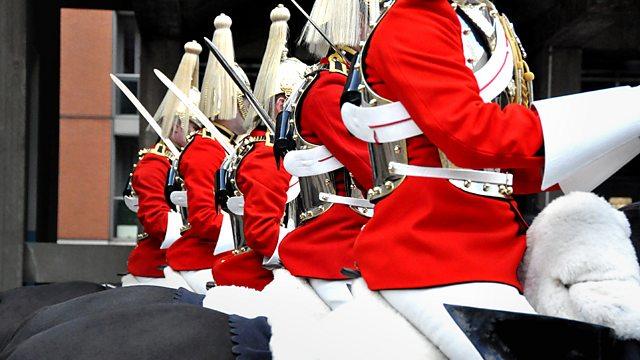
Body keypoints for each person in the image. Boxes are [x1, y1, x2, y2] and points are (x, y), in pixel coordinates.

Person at [340, 0, 640, 358]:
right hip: (438, 255)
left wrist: (605, 139)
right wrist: (620, 112)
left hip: (486, 251)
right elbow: (471, 138)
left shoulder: (463, 16)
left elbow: (493, 172)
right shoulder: (416, 14)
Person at [275, 0, 374, 310]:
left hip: (354, 237)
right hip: (338, 245)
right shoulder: (331, 87)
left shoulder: (346, 81)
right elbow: (374, 173)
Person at [212, 4, 307, 291]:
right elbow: (264, 234)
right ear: (282, 105)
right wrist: (310, 251)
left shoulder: (266, 146)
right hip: (263, 276)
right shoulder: (267, 154)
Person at [165, 14, 250, 294]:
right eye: (245, 103)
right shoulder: (205, 149)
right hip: (202, 260)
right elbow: (204, 219)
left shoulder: (224, 145)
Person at [121, 41, 201, 289]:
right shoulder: (155, 164)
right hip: (157, 267)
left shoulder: (190, 159)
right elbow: (158, 223)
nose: (200, 134)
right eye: (195, 127)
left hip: (183, 260)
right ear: (177, 125)